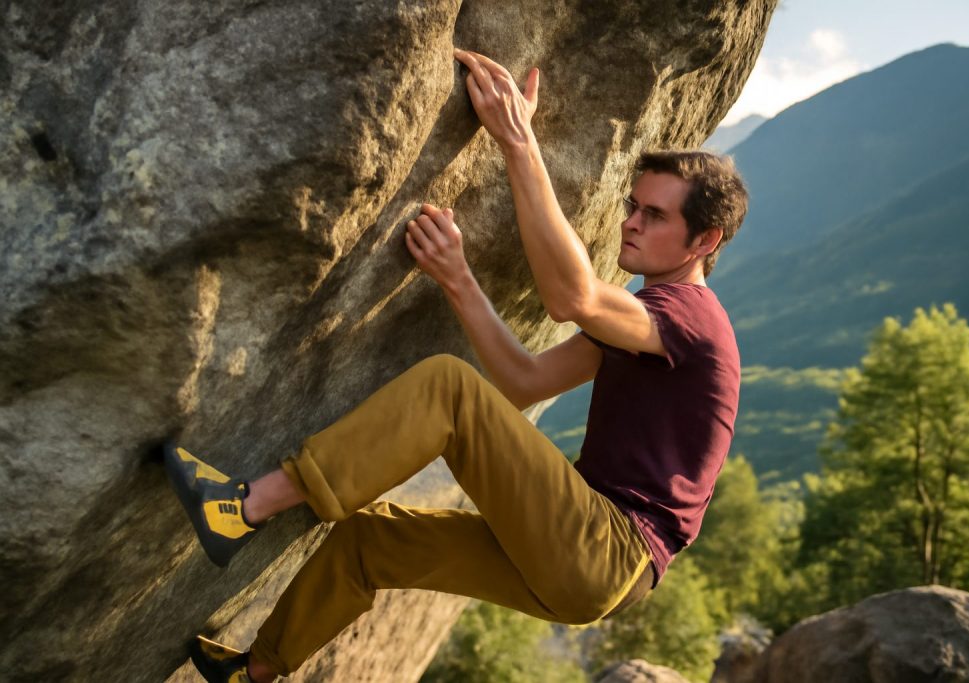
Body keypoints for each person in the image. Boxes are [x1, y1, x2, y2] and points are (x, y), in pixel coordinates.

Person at [166, 48, 747, 683]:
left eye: (653, 215)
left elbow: (572, 298)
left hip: (609, 548)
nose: (630, 224)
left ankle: (243, 507)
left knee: (449, 386)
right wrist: (458, 279)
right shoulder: (650, 324)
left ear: (704, 240)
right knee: (372, 540)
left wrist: (518, 142)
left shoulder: (691, 316)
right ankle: (256, 672)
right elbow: (524, 381)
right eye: (633, 206)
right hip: (589, 566)